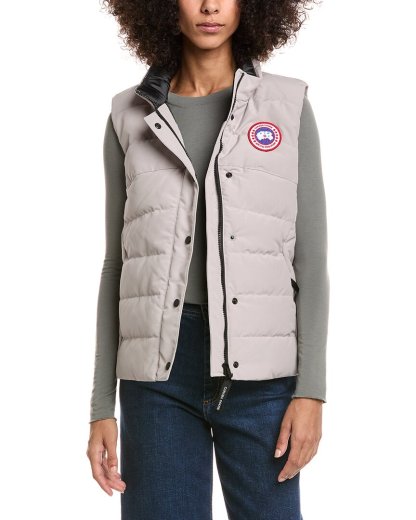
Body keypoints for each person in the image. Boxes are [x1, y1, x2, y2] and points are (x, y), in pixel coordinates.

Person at [86, 0, 329, 518]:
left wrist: (311, 392)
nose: (210, 6)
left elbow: (310, 263)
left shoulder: (286, 106)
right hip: (157, 379)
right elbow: (117, 266)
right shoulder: (128, 114)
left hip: (263, 380)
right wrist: (101, 406)